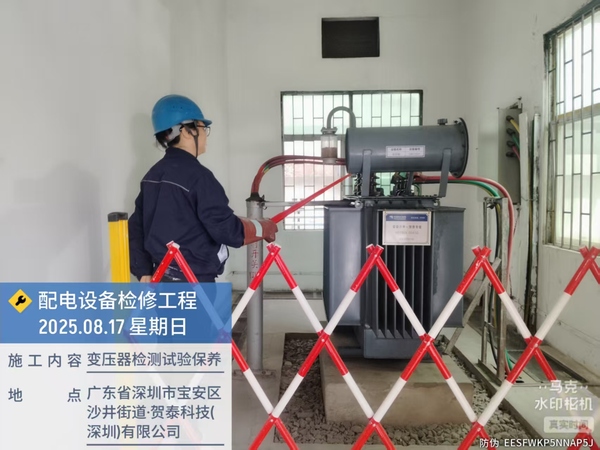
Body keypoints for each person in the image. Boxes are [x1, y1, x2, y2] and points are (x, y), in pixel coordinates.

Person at [128, 94, 278, 283]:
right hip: (195, 282)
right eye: (202, 127)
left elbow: (136, 228)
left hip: (159, 279)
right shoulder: (199, 177)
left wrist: (143, 271)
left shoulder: (152, 176)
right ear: (185, 131)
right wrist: (264, 227)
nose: (206, 135)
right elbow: (227, 231)